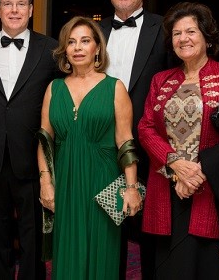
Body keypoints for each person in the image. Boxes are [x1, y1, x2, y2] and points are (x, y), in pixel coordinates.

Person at [138, 2, 219, 279]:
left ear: (206, 36)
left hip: (211, 190)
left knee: (208, 269)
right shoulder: (160, 80)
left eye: (191, 31)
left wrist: (198, 172)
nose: (183, 39)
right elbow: (145, 127)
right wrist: (175, 164)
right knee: (169, 269)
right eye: (177, 33)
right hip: (167, 189)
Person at [37, 16, 142, 279]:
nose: (78, 47)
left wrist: (131, 188)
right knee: (68, 252)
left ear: (97, 48)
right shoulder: (54, 88)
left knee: (101, 254)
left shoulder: (114, 87)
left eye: (85, 41)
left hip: (102, 181)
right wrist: (46, 182)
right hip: (66, 181)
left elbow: (125, 141)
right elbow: (44, 140)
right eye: (71, 42)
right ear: (65, 50)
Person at [0, 0, 59, 280]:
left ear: (31, 9)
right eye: (8, 4)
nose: (14, 10)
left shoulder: (51, 50)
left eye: (21, 3)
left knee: (33, 236)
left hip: (32, 158)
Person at [99, 0, 172, 280]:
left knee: (148, 231)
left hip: (148, 145)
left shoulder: (165, 29)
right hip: (100, 142)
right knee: (106, 225)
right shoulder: (94, 32)